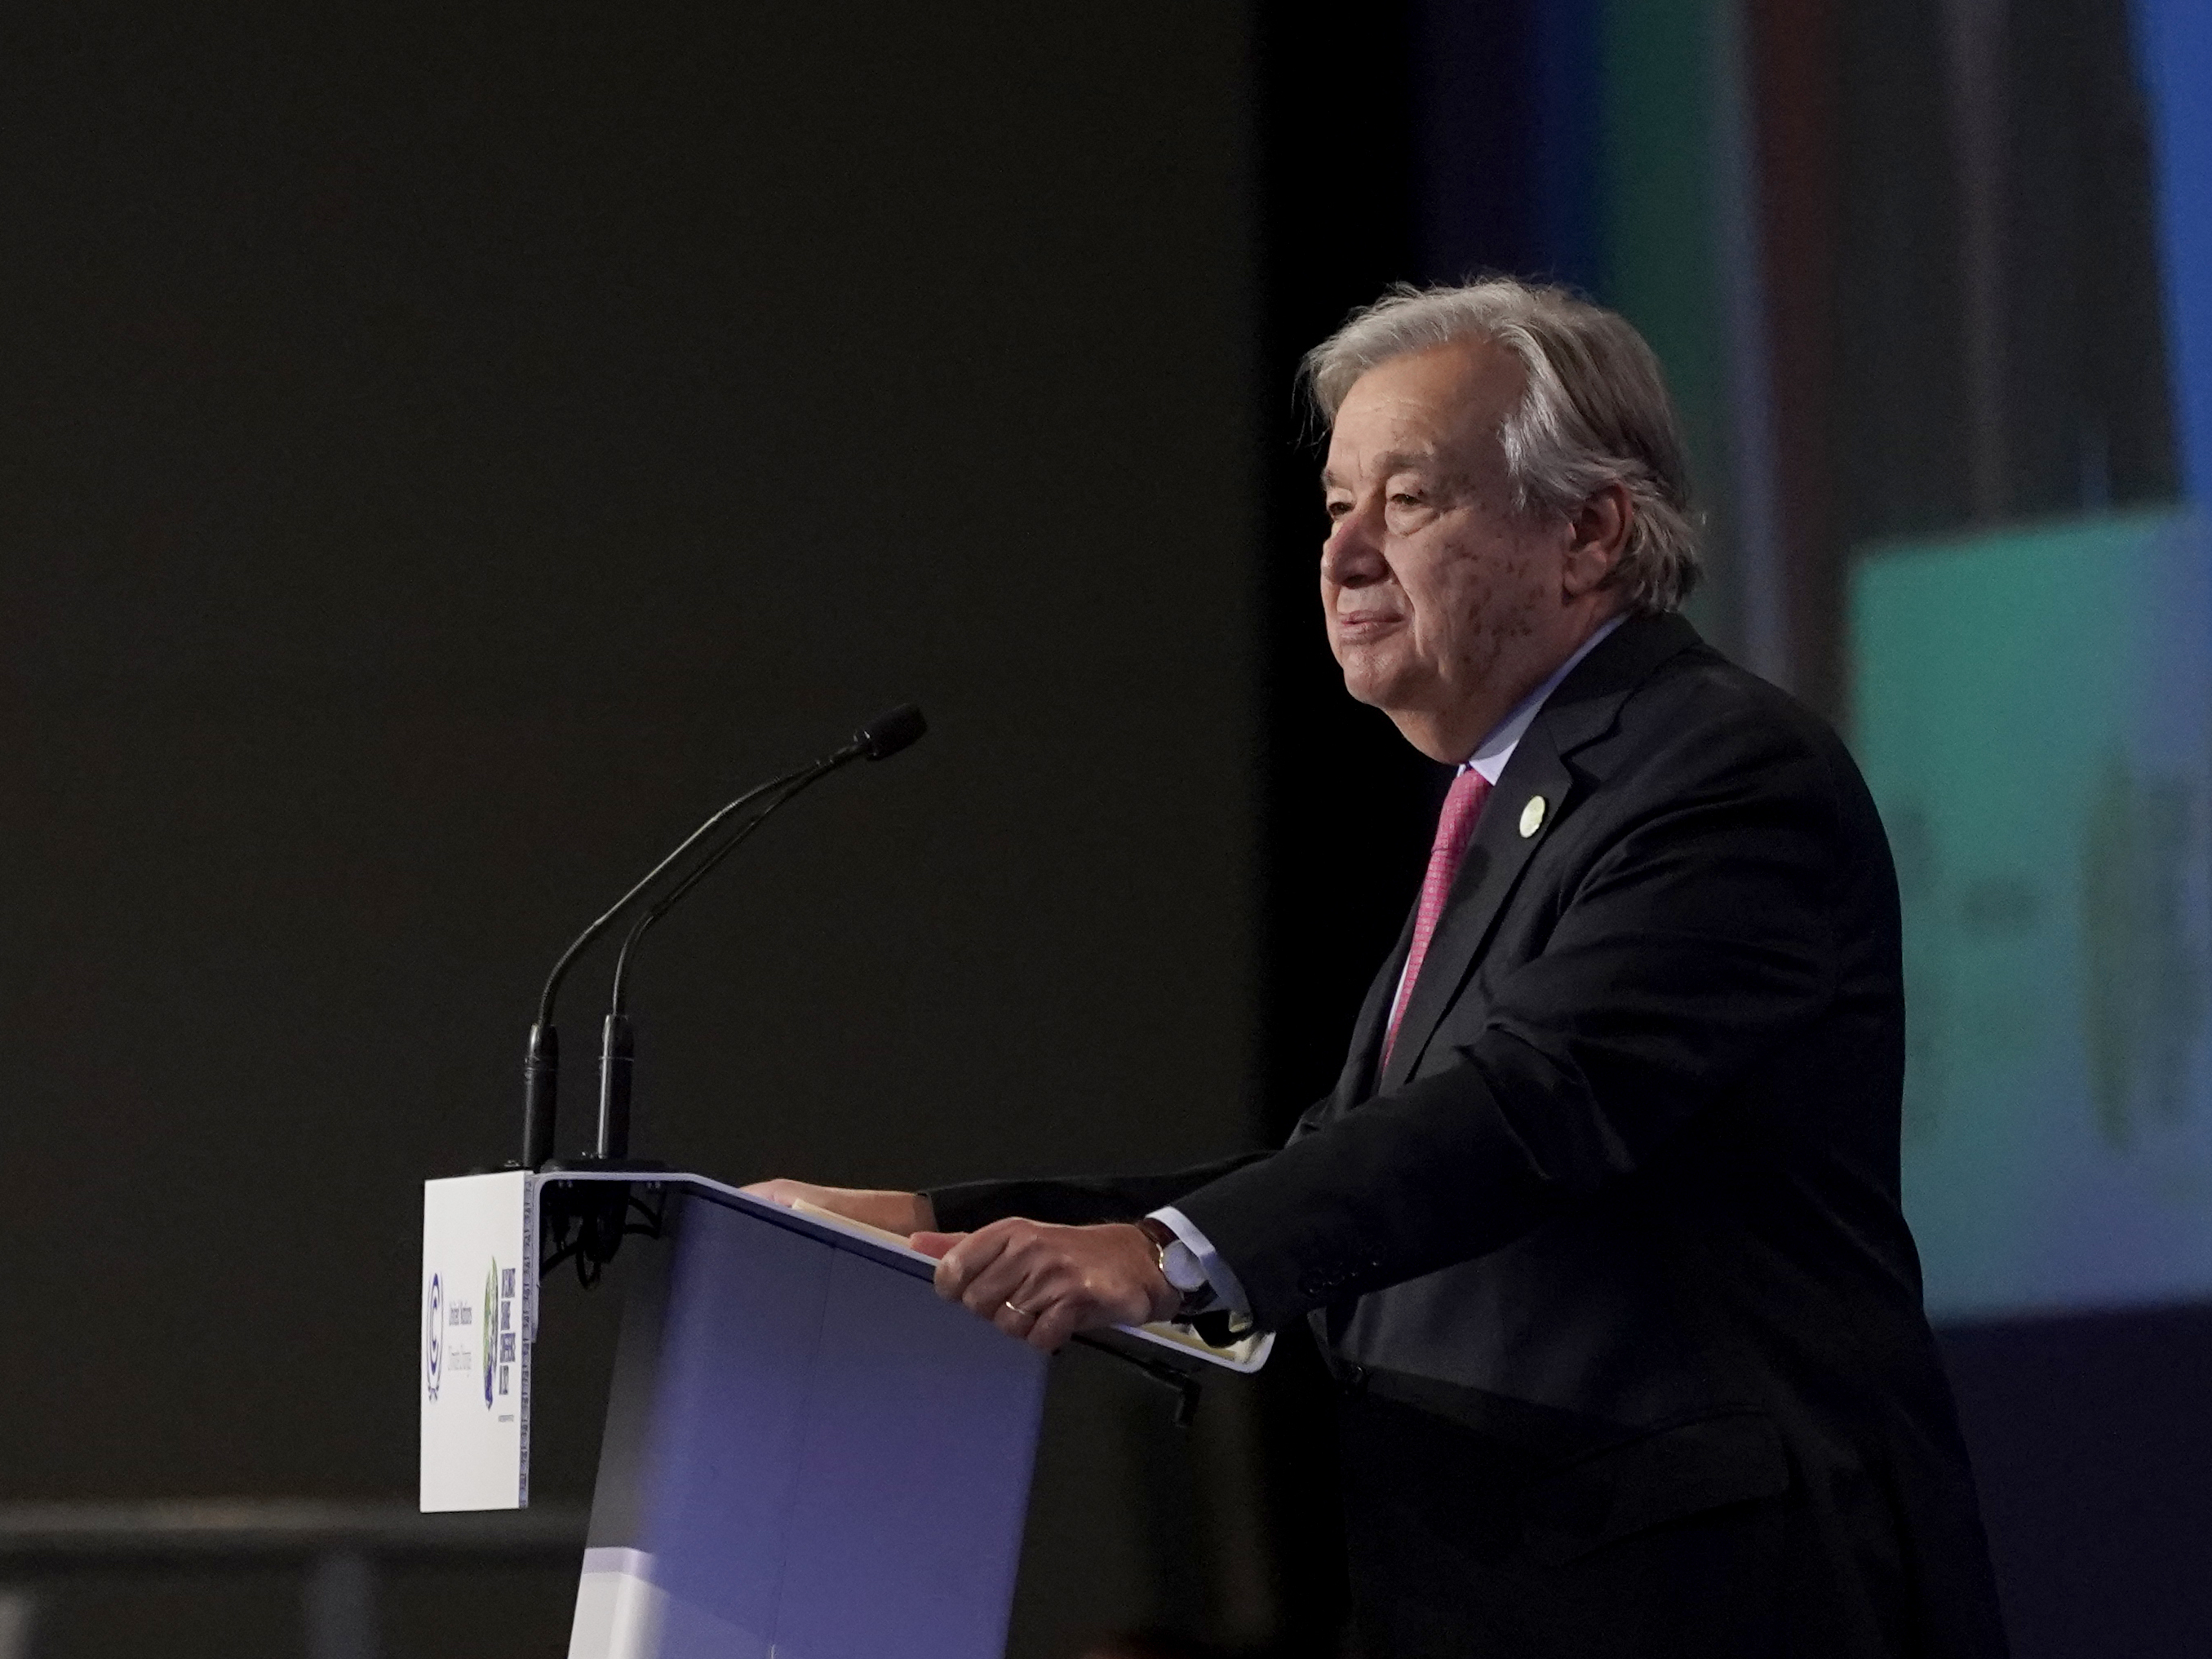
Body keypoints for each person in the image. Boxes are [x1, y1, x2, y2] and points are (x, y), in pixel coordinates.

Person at [749, 279, 2008, 1659]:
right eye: (1336, 505)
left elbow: (1531, 1104)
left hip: (1715, 1604)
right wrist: (931, 1221)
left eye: (1407, 500)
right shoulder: (1513, 805)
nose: (1344, 553)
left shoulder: (1719, 772)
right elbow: (1339, 1161)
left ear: (1589, 532)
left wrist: (1160, 1259)